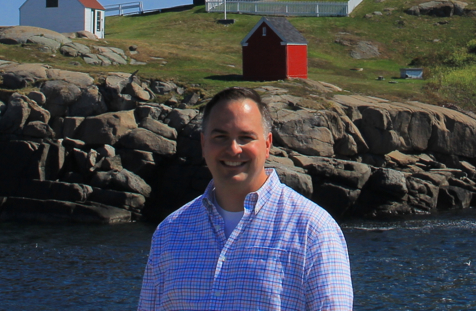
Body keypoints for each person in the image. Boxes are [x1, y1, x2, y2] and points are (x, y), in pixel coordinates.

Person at [138, 87, 354, 311]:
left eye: (245, 137)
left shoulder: (314, 230)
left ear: (267, 144)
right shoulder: (170, 232)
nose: (233, 148)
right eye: (220, 137)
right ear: (203, 144)